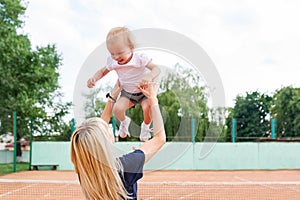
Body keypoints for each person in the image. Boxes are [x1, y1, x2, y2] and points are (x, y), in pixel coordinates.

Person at [71, 81, 166, 199]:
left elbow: (95, 136)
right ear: (103, 142)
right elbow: (160, 138)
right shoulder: (126, 166)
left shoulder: (85, 173)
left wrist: (111, 99)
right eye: (107, 130)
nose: (109, 128)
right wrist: (153, 99)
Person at [87, 27, 161, 142]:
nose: (116, 57)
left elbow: (156, 69)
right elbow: (102, 71)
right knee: (117, 109)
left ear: (131, 48)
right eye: (112, 54)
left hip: (143, 92)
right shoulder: (113, 62)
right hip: (127, 93)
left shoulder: (139, 58)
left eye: (120, 53)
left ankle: (146, 126)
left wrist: (150, 76)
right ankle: (124, 121)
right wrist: (94, 78)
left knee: (147, 107)